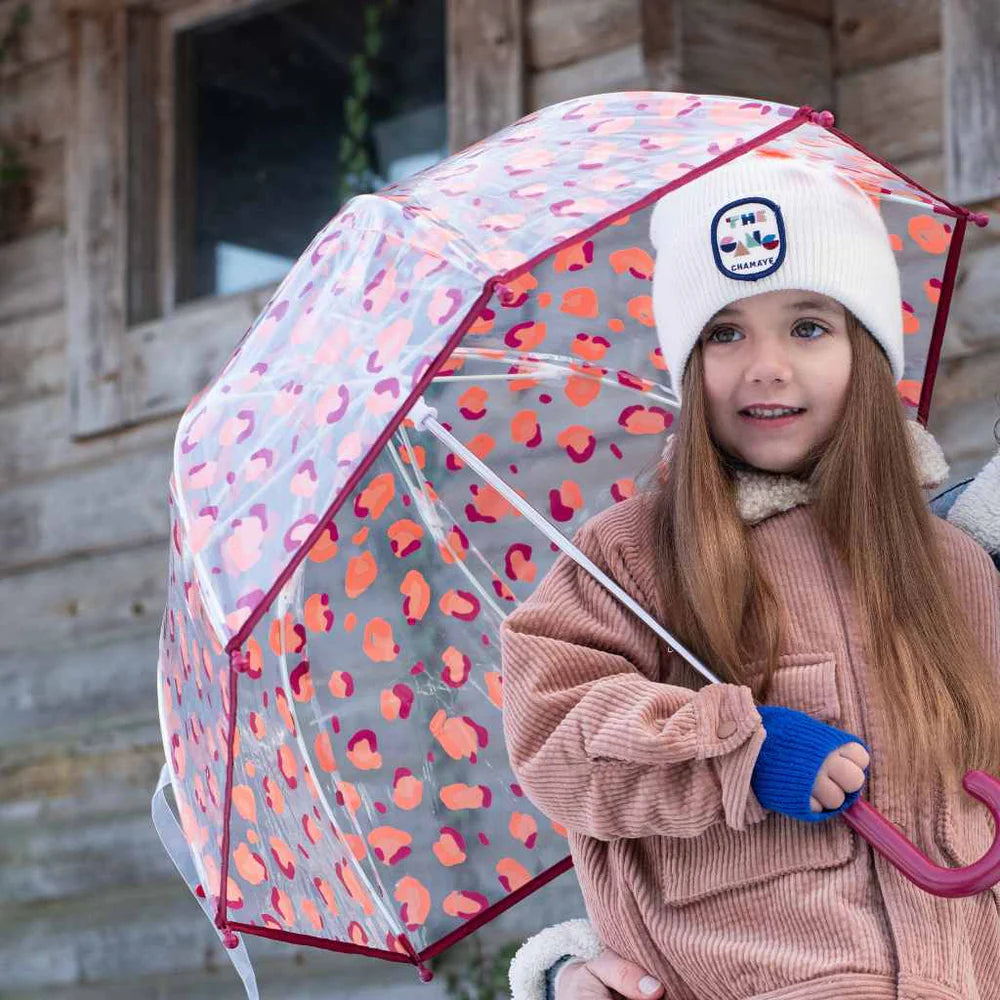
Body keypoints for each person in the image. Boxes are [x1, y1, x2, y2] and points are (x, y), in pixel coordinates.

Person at [499, 153, 1000, 1000]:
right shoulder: (631, 557)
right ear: (689, 367)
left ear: (868, 354)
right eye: (725, 332)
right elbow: (554, 735)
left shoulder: (950, 562)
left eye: (808, 327)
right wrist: (735, 749)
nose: (766, 365)